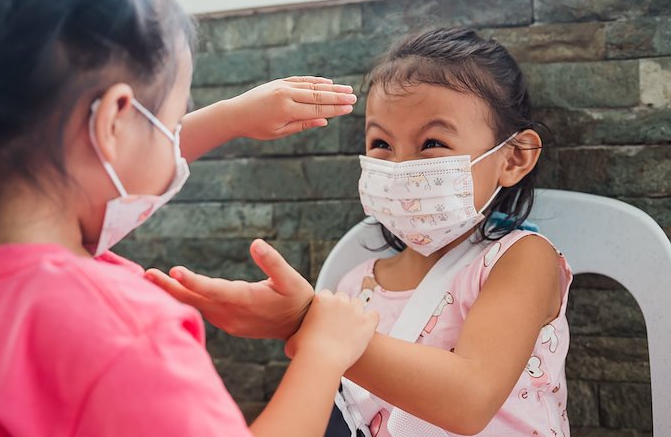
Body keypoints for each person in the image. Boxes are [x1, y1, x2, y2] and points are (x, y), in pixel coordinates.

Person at [0, 0, 380, 436]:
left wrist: (231, 117)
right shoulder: (122, 335)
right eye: (172, 119)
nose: (174, 140)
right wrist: (323, 355)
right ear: (114, 122)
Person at [148, 28, 574, 436]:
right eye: (382, 145)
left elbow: (471, 399)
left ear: (514, 158)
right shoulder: (357, 284)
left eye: (432, 144)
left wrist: (306, 322)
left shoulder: (521, 259)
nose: (400, 166)